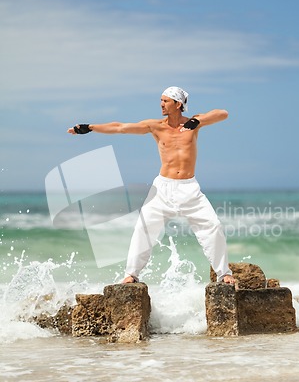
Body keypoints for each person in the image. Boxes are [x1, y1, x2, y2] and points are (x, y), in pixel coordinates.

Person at [68, 86, 235, 285]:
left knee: (212, 226)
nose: (161, 104)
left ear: (178, 104)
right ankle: (132, 274)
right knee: (143, 229)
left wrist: (196, 121)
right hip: (162, 188)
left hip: (189, 188)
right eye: (161, 100)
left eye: (165, 101)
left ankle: (224, 273)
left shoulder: (194, 122)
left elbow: (222, 114)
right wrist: (91, 127)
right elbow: (120, 127)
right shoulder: (155, 126)